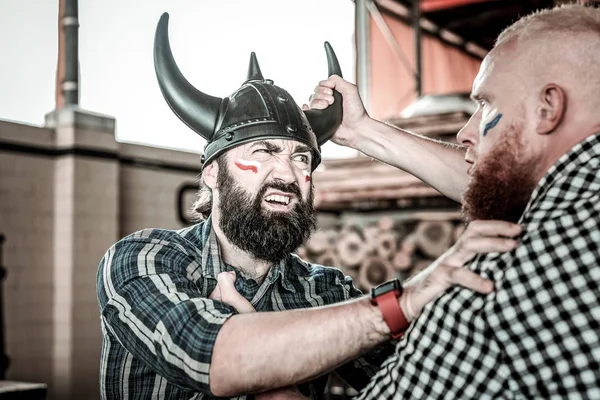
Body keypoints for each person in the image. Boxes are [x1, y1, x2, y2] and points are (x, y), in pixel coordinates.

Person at [96, 12, 516, 400]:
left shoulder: (325, 291)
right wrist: (401, 302)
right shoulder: (144, 259)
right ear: (210, 173)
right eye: (262, 151)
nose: (287, 174)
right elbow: (208, 354)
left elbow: (416, 385)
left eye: (302, 159)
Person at [307, 3, 600, 398]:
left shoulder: (503, 275)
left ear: (548, 107)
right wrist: (361, 132)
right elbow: (499, 174)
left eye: (486, 104)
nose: (465, 132)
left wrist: (274, 389)